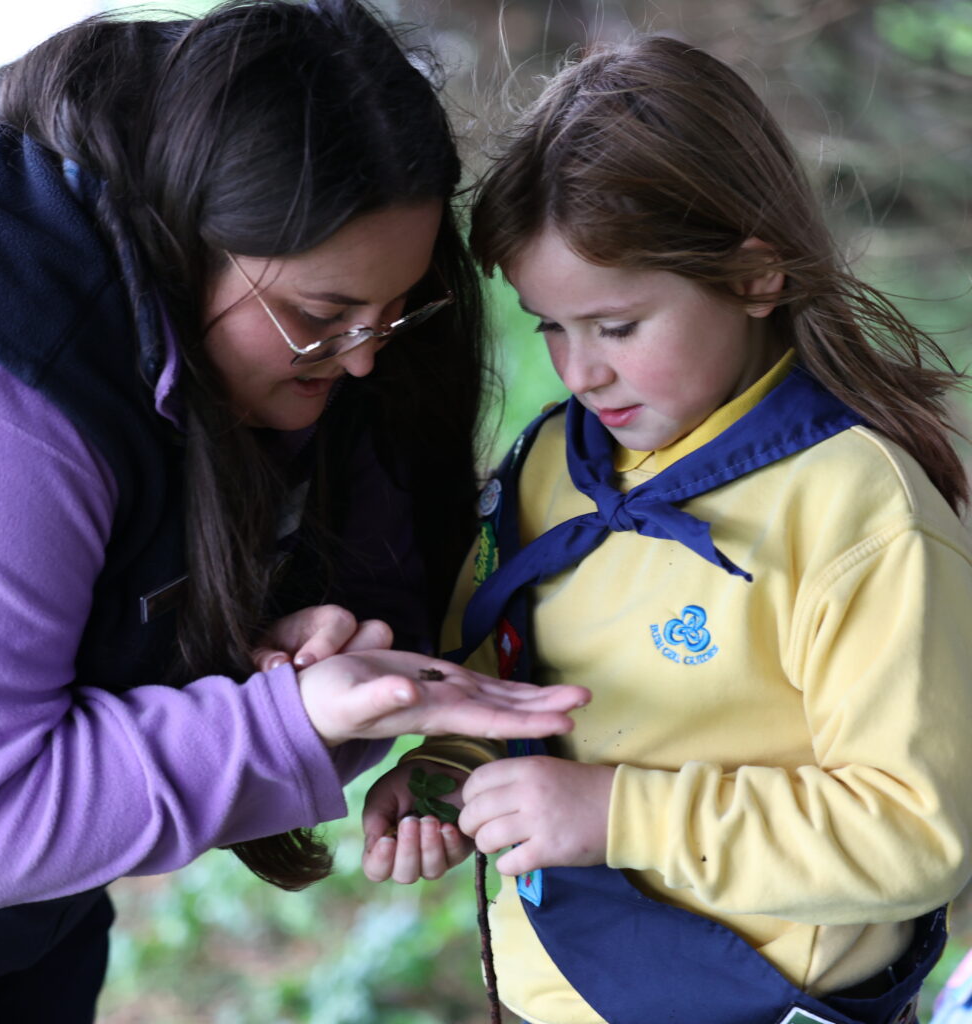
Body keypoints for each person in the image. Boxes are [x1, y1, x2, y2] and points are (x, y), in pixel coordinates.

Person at [0, 0, 591, 1018]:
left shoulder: (263, 318)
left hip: (29, 929)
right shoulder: (3, 398)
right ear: (184, 236)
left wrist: (235, 645)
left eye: (395, 313)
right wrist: (281, 722)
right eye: (319, 318)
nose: (365, 359)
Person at [362, 35, 972, 1024]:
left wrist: (618, 813)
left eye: (616, 326)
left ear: (755, 276)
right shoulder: (552, 462)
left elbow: (912, 834)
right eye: (549, 325)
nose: (579, 371)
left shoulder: (856, 512)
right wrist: (449, 768)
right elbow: (500, 673)